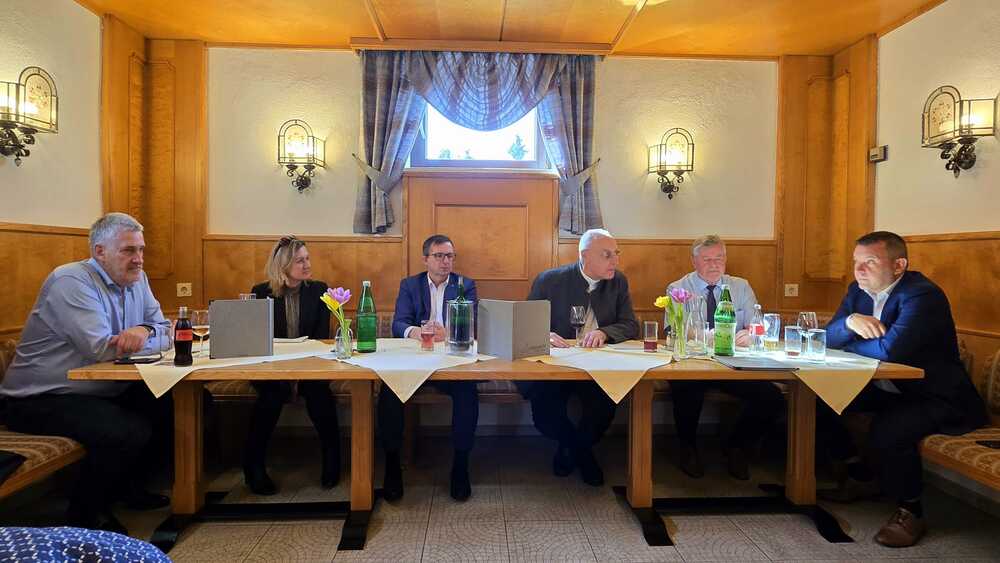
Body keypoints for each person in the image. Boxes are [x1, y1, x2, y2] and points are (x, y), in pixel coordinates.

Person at [0, 213, 173, 533]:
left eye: (141, 250)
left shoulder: (139, 278)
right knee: (124, 430)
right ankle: (85, 516)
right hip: (40, 397)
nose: (138, 259)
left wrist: (144, 330)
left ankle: (128, 488)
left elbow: (167, 331)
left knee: (170, 404)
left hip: (100, 390)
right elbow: (101, 348)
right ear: (99, 251)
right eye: (128, 250)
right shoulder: (71, 281)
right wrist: (147, 335)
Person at [818, 231, 987, 547]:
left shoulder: (922, 295)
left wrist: (850, 343)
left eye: (870, 262)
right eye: (856, 262)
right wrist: (850, 321)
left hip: (938, 396)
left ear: (899, 265)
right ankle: (860, 476)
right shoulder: (857, 291)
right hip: (891, 389)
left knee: (889, 428)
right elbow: (827, 339)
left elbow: (891, 350)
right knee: (820, 399)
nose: (859, 270)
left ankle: (910, 511)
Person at [520, 229, 638, 486]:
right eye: (607, 255)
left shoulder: (618, 281)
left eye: (616, 254)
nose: (615, 261)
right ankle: (579, 449)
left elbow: (630, 325)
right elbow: (524, 323)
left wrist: (604, 332)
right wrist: (544, 334)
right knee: (545, 413)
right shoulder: (550, 280)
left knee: (604, 407)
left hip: (598, 365)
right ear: (585, 256)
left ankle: (574, 450)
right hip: (555, 364)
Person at [666, 235, 784, 480]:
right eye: (707, 259)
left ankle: (737, 446)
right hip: (693, 362)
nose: (714, 265)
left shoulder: (740, 286)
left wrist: (750, 334)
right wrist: (708, 336)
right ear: (694, 261)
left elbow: (756, 324)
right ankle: (688, 447)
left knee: (771, 397)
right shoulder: (678, 288)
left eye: (719, 258)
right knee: (686, 389)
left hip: (732, 364)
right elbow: (673, 328)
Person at [382, 234, 479, 501]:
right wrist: (417, 331)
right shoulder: (410, 285)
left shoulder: (465, 284)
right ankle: (392, 465)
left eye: (450, 256)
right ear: (426, 259)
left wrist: (448, 331)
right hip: (415, 360)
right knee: (389, 391)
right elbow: (399, 324)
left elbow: (474, 322)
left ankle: (460, 465)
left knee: (467, 391)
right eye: (439, 256)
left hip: (450, 360)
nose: (445, 261)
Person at [244, 235, 340, 495]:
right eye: (299, 261)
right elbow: (257, 339)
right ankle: (254, 467)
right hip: (271, 367)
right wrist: (284, 373)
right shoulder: (260, 292)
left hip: (311, 365)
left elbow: (321, 339)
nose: (307, 265)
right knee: (270, 397)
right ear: (283, 265)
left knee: (319, 395)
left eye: (307, 258)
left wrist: (299, 374)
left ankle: (332, 461)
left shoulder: (319, 290)